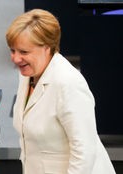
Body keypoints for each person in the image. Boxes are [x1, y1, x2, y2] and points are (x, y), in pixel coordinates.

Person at [6, 9, 116, 174]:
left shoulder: (68, 83)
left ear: (47, 48)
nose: (15, 58)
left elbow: (84, 152)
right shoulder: (28, 74)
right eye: (12, 50)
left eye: (24, 52)